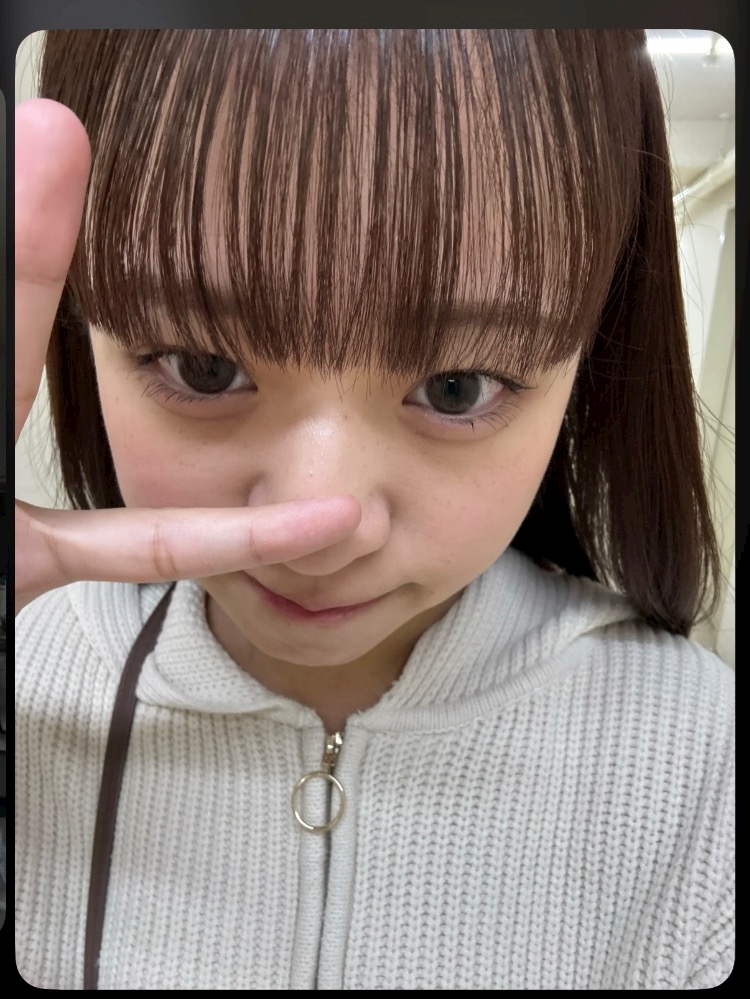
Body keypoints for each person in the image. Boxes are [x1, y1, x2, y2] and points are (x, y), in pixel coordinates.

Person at [15, 29, 734, 990]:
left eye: (456, 386)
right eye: (205, 367)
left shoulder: (704, 768)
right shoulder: (26, 687)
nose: (319, 527)